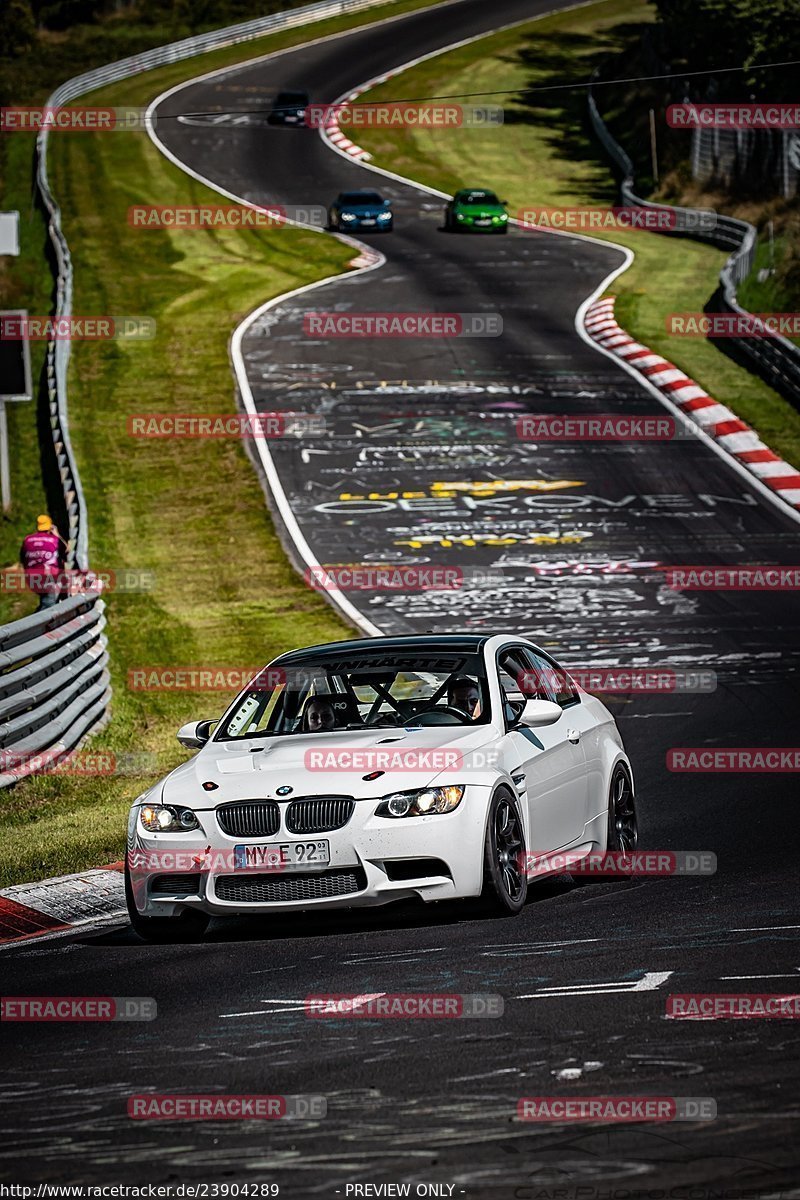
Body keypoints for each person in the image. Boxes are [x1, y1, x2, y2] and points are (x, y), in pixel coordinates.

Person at [20, 515, 64, 611]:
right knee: (48, 604)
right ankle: (38, 622)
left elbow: (22, 559)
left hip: (31, 578)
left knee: (46, 600)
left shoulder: (27, 539)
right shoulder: (55, 540)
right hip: (49, 577)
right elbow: (66, 551)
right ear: (50, 527)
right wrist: (57, 535)